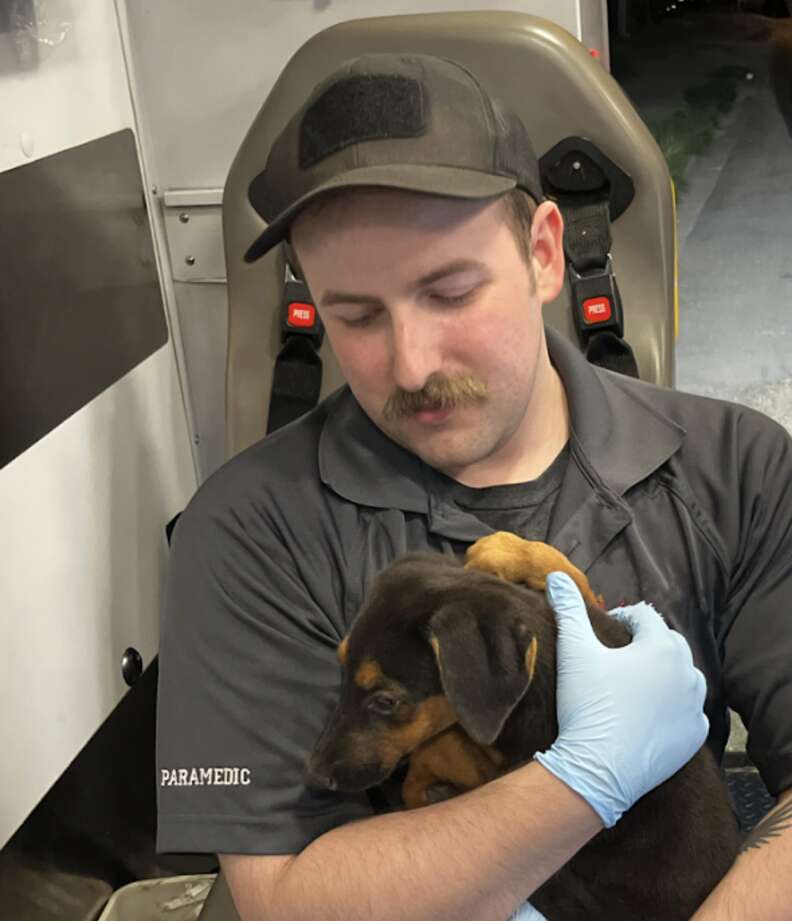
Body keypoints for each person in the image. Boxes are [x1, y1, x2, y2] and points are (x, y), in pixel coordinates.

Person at [156, 53, 792, 920]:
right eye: (356, 315)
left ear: (542, 253)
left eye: (449, 291)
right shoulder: (242, 531)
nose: (411, 364)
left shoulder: (740, 468)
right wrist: (581, 784)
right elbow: (285, 895)